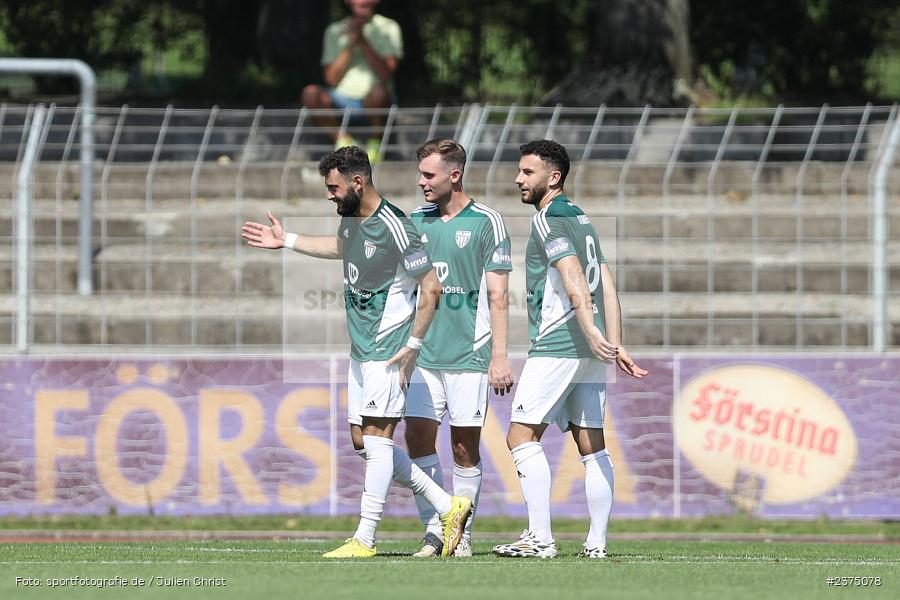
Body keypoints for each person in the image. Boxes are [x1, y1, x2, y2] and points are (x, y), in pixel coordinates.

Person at [241, 146, 471, 558]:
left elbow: (431, 286)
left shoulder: (395, 225)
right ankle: (446, 505)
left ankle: (365, 538)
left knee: (378, 439)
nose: (329, 194)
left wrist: (414, 345)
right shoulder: (351, 220)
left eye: (333, 187)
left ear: (357, 182)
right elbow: (341, 247)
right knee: (362, 441)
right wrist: (287, 240)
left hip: (389, 349)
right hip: (361, 350)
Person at [492, 140, 648, 560]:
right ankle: (596, 544)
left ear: (553, 177)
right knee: (591, 442)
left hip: (559, 343)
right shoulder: (582, 218)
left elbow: (574, 273)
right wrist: (612, 341)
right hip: (590, 350)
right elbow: (608, 283)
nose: (518, 179)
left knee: (521, 435)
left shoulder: (549, 219)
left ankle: (539, 537)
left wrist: (586, 326)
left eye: (527, 172)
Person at [404, 139, 514, 557]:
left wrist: (500, 356)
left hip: (469, 355)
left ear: (455, 175)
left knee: (464, 447)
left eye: (428, 175)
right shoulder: (415, 221)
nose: (421, 182)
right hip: (422, 355)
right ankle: (436, 529)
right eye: (420, 174)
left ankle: (462, 533)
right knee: (417, 439)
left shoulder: (488, 222)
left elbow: (498, 295)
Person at [300, 0, 402, 161]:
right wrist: (350, 46)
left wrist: (363, 42)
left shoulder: (389, 27)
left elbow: (385, 75)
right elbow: (331, 79)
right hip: (340, 98)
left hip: (374, 99)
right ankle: (343, 140)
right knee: (310, 93)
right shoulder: (334, 30)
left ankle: (376, 143)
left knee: (379, 92)